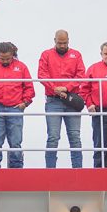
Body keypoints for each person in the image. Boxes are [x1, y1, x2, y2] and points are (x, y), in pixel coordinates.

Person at [0, 41, 35, 169]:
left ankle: (16, 169)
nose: (5, 61)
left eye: (8, 58)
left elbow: (29, 87)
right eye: (2, 58)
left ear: (12, 55)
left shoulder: (21, 67)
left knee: (15, 142)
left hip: (15, 108)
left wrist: (25, 102)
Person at [37, 29, 85, 168]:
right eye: (60, 43)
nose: (62, 45)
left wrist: (67, 88)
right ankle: (50, 170)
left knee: (75, 137)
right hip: (53, 101)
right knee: (53, 137)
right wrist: (55, 89)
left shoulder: (76, 55)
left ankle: (78, 169)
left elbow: (81, 75)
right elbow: (42, 75)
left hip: (71, 100)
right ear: (54, 41)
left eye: (65, 43)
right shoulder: (46, 55)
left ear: (68, 40)